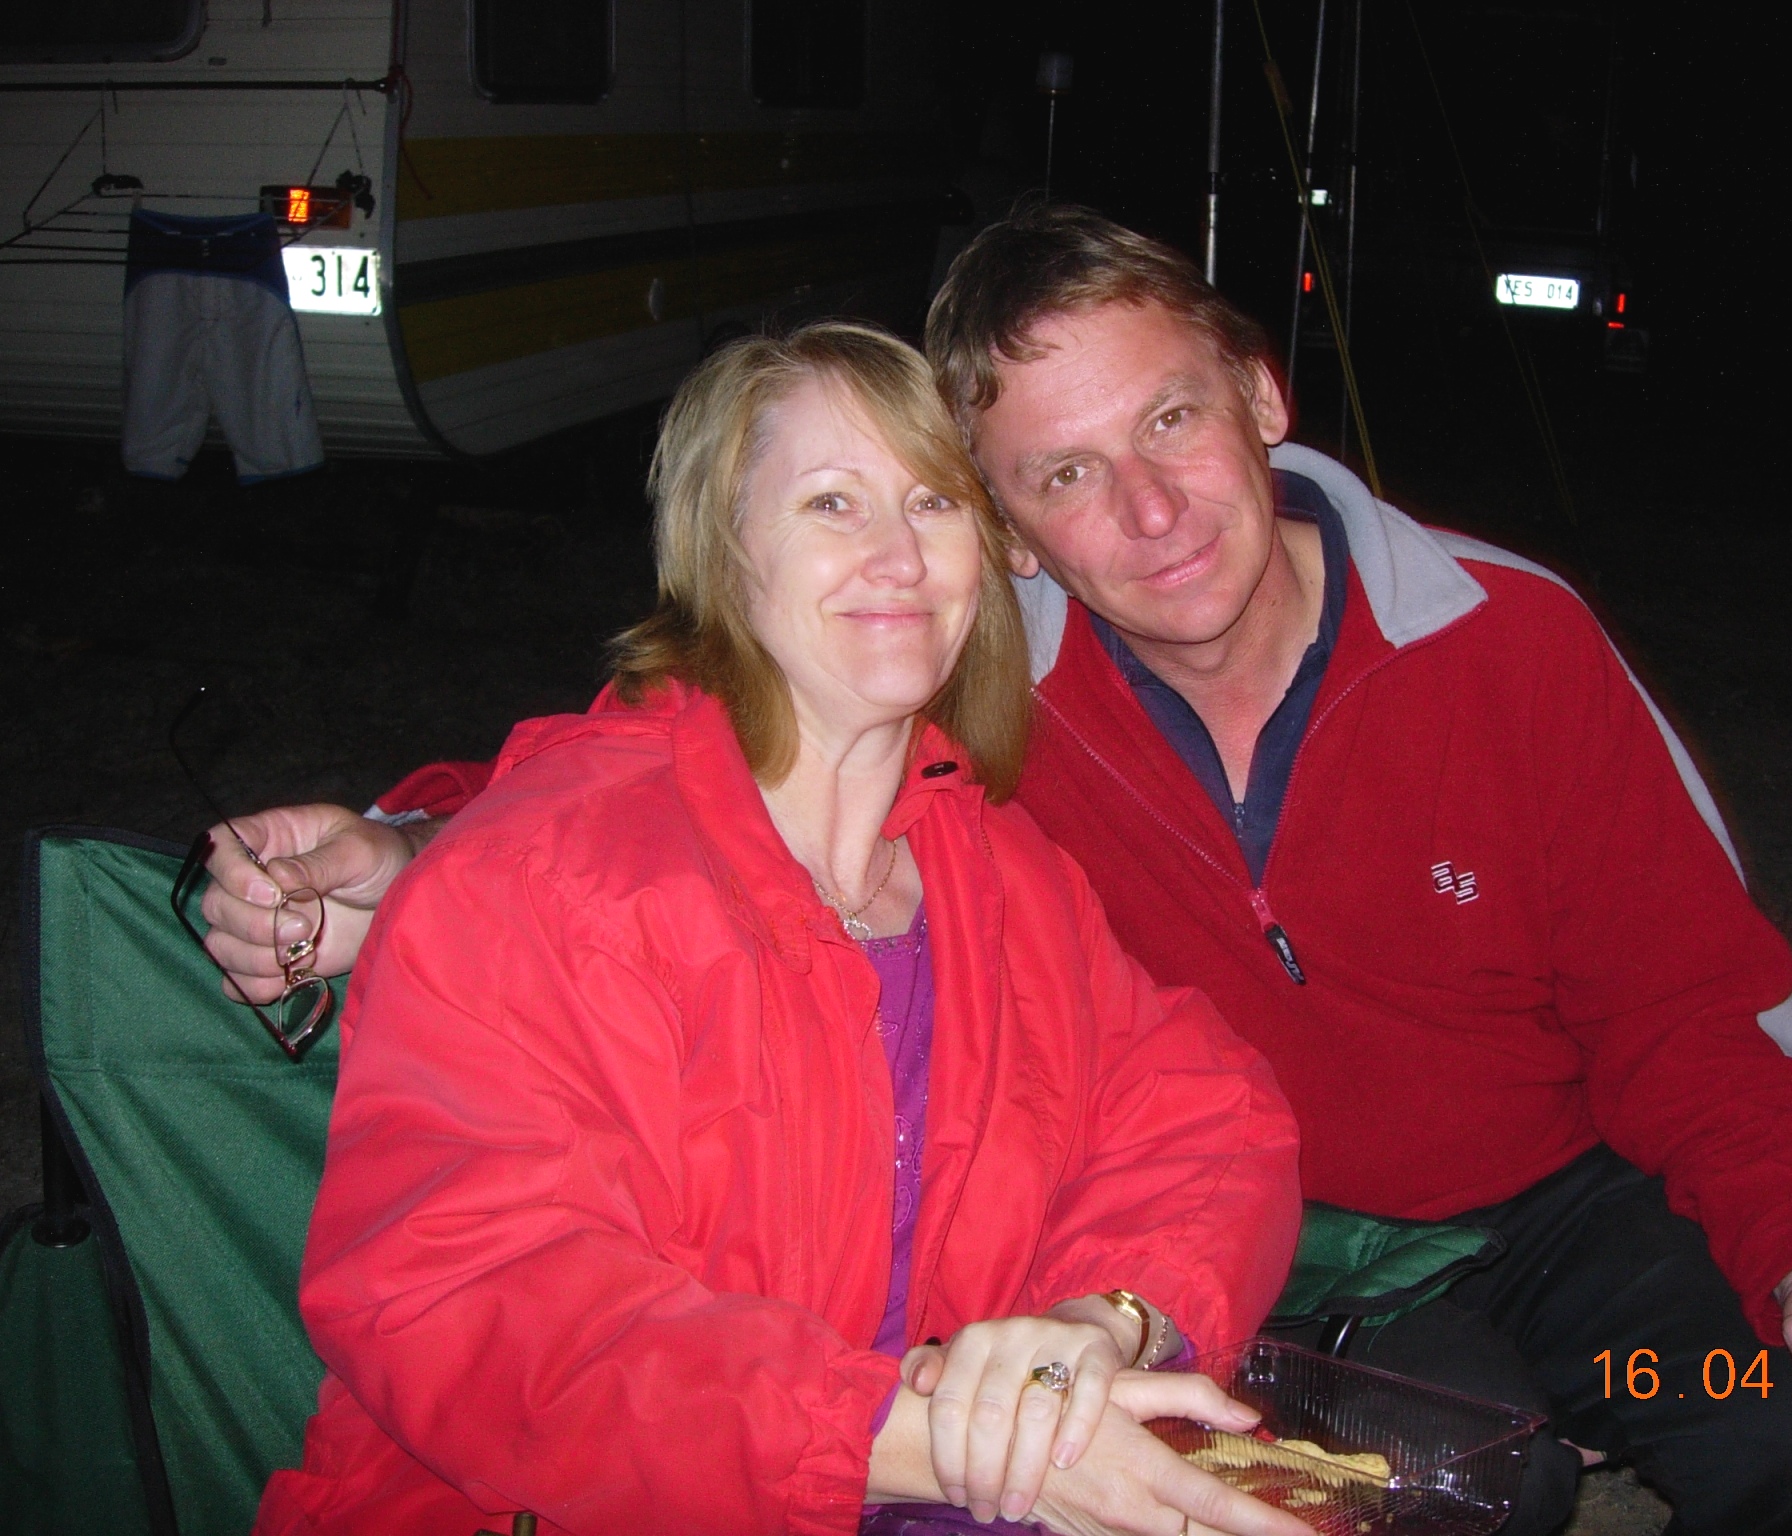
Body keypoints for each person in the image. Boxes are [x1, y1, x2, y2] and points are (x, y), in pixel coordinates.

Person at [209, 209, 1792, 1536]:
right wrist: (418, 848)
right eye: (1060, 473)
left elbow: (1693, 1007)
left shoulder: (1502, 642)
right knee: (1464, 1484)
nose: (1146, 510)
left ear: (1259, 395)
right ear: (1013, 529)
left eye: (1170, 422)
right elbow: (681, 747)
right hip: (1282, 1272)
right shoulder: (991, 699)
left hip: (1545, 1215)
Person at [242, 321, 1310, 1536]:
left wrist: (1096, 1321)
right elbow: (468, 1299)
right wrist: (921, 1441)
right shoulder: (545, 874)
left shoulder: (996, 871)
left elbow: (1206, 1116)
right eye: (830, 504)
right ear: (726, 550)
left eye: (931, 502)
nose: (897, 557)